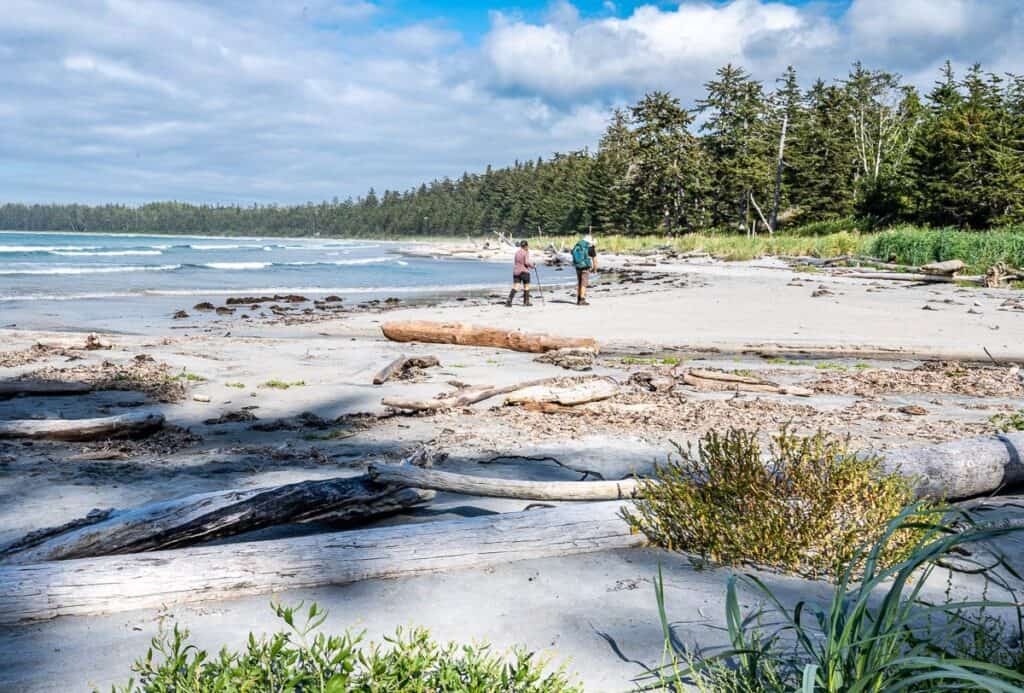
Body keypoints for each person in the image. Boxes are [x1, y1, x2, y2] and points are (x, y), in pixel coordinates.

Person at [506, 239, 535, 306]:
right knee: (526, 286)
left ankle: (509, 301)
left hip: (516, 271)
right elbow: (526, 262)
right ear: (526, 246)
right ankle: (526, 302)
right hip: (524, 271)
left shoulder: (517, 252)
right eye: (527, 246)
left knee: (515, 286)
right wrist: (533, 266)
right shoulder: (526, 252)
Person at [571, 234, 597, 305]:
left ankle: (578, 299)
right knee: (584, 283)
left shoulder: (578, 245)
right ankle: (582, 300)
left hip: (577, 266)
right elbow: (595, 260)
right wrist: (595, 269)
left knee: (579, 282)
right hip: (585, 267)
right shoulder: (590, 247)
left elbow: (572, 253)